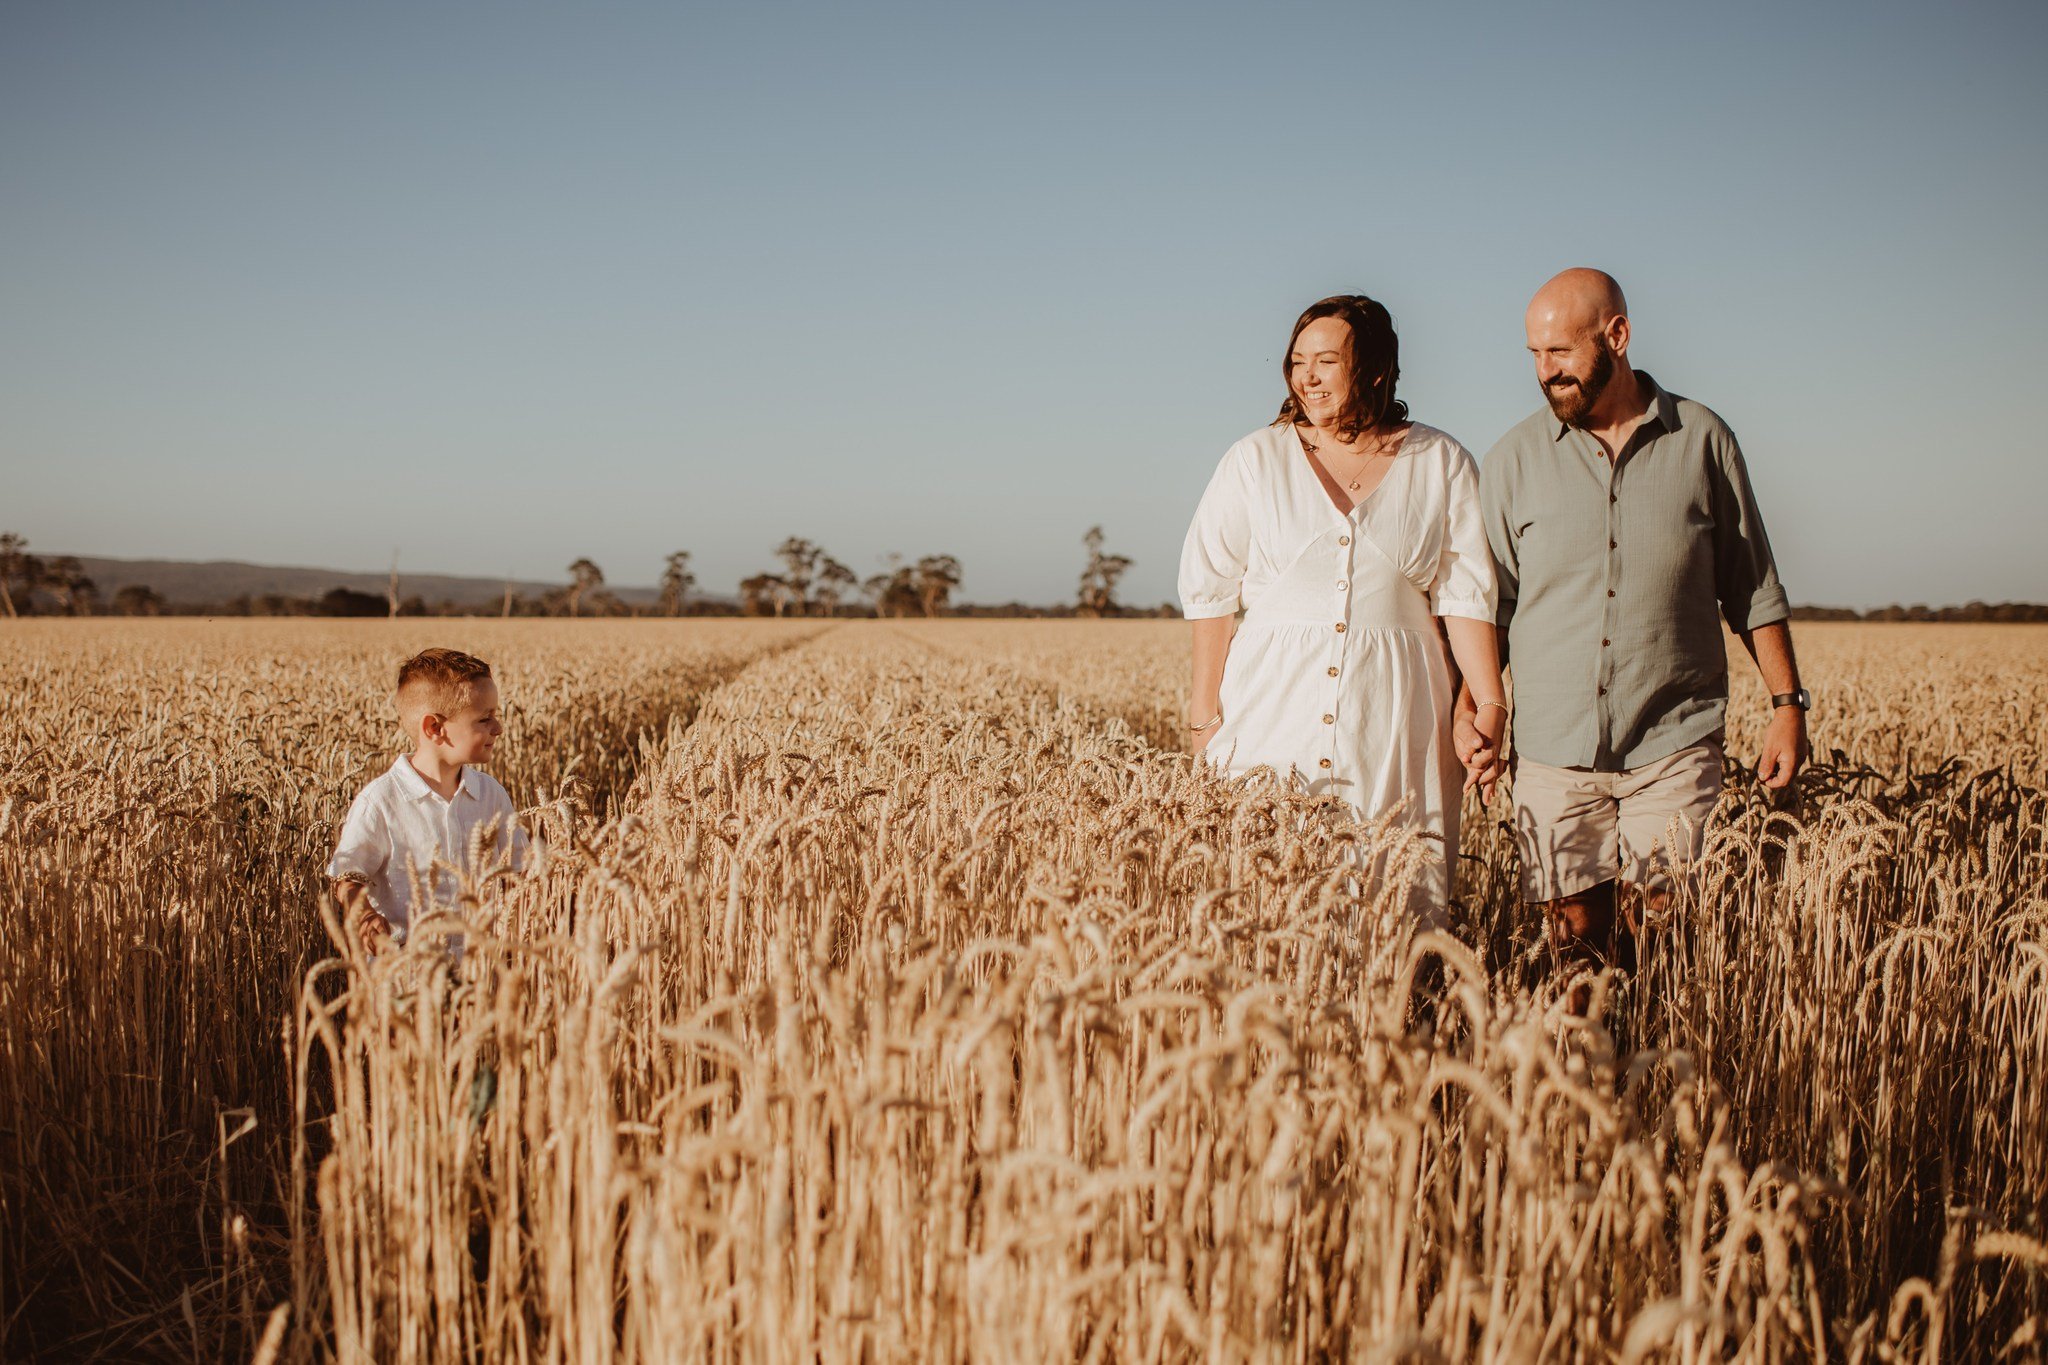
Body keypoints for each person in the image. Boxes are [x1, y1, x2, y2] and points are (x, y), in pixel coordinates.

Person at [1458, 268, 1808, 984]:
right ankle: (1582, 1055)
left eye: (1560, 352)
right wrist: (1475, 706)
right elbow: (1491, 610)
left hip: (1673, 743)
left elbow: (1752, 585)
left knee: (1660, 947)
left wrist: (1787, 705)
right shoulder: (1512, 461)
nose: (1544, 371)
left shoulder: (1702, 440)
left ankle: (1652, 1057)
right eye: (1533, 354)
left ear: (1616, 335)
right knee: (1573, 956)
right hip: (1553, 754)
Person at [1180, 295, 1505, 919]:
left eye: (1326, 361)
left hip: (1397, 718)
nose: (1306, 376)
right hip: (1270, 709)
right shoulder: (1254, 459)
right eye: (1297, 361)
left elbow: (1466, 595)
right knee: (1263, 901)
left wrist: (1489, 704)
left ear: (1377, 371)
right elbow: (1211, 593)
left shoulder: (1440, 461)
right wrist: (1204, 722)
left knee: (1393, 900)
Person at [328, 647, 522, 956]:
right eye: (485, 719)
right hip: (405, 971)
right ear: (435, 728)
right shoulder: (380, 801)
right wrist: (363, 914)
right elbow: (347, 874)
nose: (498, 728)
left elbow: (519, 871)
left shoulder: (491, 794)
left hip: (481, 970)